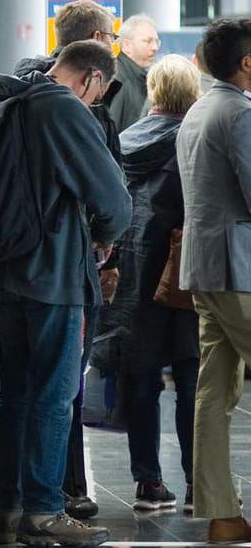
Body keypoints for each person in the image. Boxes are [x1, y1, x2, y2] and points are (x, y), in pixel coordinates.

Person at [0, 40, 131, 548]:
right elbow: (112, 199)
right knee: (55, 393)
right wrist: (106, 237)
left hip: (6, 270)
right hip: (56, 273)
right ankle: (44, 510)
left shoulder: (8, 98)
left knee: (14, 392)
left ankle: (2, 509)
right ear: (91, 78)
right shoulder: (64, 108)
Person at [94, 54, 199, 514]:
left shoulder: (123, 141)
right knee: (193, 380)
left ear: (153, 92)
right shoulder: (192, 140)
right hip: (184, 275)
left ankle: (148, 481)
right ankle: (199, 480)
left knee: (141, 378)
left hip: (133, 274)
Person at [176, 19, 251, 544]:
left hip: (205, 266)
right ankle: (221, 511)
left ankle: (222, 512)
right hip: (240, 268)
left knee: (213, 390)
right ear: (247, 63)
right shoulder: (239, 113)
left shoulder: (200, 109)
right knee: (213, 390)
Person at [108, 15, 160, 132]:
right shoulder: (117, 78)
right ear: (126, 45)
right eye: (148, 41)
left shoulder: (140, 77)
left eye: (157, 41)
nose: (155, 47)